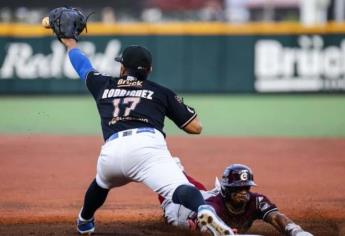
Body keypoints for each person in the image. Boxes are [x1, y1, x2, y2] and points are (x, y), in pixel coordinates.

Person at [60, 38, 234, 236]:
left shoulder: (103, 84)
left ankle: (85, 220)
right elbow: (195, 127)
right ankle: (204, 210)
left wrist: (71, 43)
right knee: (181, 189)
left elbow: (83, 66)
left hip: (112, 152)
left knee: (101, 183)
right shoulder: (159, 91)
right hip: (147, 149)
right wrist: (171, 104)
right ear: (149, 70)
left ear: (123, 68)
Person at [159, 162, 313, 236]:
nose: (243, 192)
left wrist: (295, 231)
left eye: (246, 187)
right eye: (238, 188)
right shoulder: (214, 205)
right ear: (226, 189)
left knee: (198, 190)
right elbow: (206, 227)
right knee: (168, 187)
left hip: (202, 195)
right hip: (179, 209)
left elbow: (276, 217)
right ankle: (169, 166)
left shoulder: (255, 201)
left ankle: (178, 169)